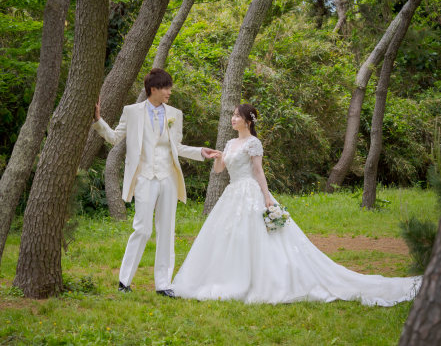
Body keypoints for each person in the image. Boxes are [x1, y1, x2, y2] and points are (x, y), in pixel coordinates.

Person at [171, 103, 421, 306]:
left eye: (236, 116)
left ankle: (261, 280)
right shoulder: (229, 143)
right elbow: (219, 171)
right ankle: (227, 278)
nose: (232, 119)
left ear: (248, 121)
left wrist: (267, 196)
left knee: (257, 237)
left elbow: (258, 172)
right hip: (232, 193)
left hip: (250, 191)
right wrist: (217, 157)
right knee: (228, 238)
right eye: (233, 116)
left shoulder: (253, 143)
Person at [91, 68, 221, 297]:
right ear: (154, 89)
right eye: (166, 87)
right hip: (144, 177)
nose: (170, 91)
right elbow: (113, 138)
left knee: (167, 230)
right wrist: (98, 120)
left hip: (168, 177)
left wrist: (201, 151)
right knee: (142, 229)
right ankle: (124, 281)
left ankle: (163, 284)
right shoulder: (131, 112)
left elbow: (177, 147)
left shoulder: (175, 114)